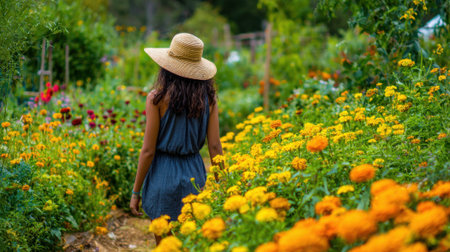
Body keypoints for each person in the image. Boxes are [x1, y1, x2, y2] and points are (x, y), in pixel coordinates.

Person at [129, 33, 223, 245]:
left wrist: (136, 191)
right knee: (192, 240)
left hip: (162, 174)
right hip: (194, 174)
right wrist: (224, 184)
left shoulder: (157, 98)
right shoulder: (209, 99)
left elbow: (148, 151)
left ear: (166, 66)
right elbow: (215, 146)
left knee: (165, 244)